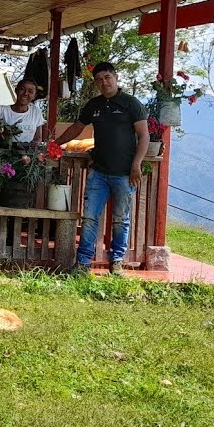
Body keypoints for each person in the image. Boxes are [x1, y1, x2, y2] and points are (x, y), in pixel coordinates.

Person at [54, 62, 149, 275]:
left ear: (116, 77)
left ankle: (116, 262)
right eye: (99, 79)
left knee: (120, 219)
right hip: (99, 171)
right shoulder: (94, 105)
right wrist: (56, 143)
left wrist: (136, 165)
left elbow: (144, 135)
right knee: (89, 217)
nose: (104, 82)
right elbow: (77, 128)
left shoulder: (131, 104)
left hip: (125, 174)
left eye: (107, 77)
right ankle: (83, 263)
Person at [0, 79, 45, 144]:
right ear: (16, 90)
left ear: (34, 96)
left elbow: (38, 138)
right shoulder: (3, 110)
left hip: (27, 155)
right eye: (22, 89)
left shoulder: (36, 112)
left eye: (30, 91)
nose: (26, 93)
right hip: (5, 154)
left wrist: (30, 153)